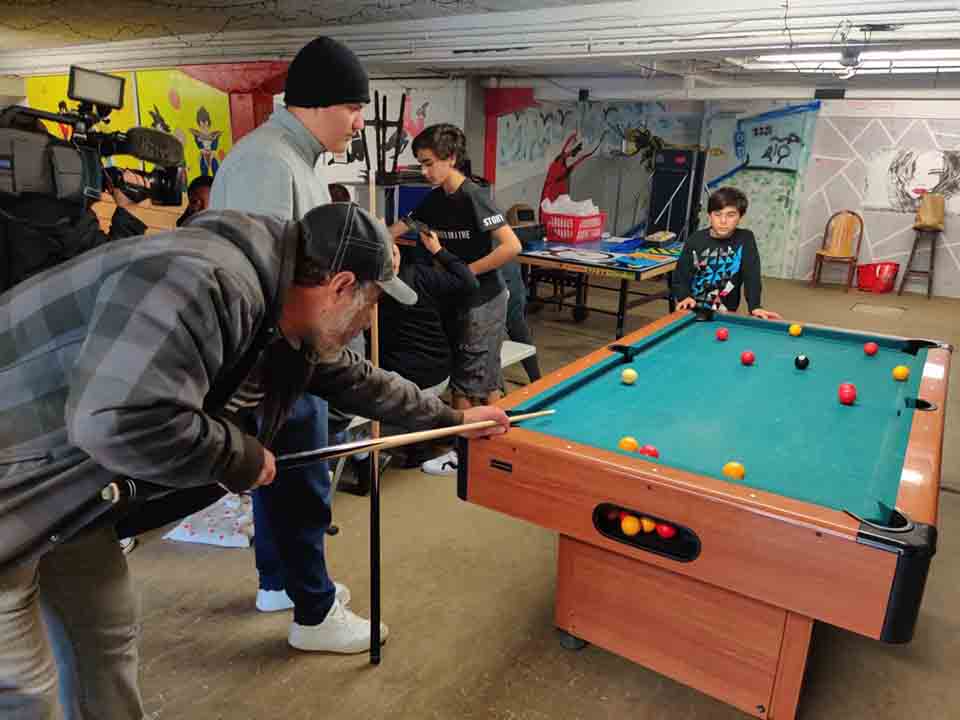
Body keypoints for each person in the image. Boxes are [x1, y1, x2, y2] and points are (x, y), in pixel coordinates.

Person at [0, 202, 509, 719]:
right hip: (14, 481)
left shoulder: (281, 303)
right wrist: (238, 456)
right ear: (340, 286)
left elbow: (355, 379)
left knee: (104, 633)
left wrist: (451, 418)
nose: (369, 320)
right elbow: (115, 420)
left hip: (69, 481)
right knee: (23, 689)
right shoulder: (206, 283)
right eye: (372, 302)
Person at [209, 36, 374, 637]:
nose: (358, 122)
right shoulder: (268, 163)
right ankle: (314, 612)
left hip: (288, 352)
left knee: (279, 475)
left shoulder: (292, 160)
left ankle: (280, 583)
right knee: (303, 483)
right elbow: (260, 283)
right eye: (352, 108)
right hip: (278, 357)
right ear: (316, 103)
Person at [389, 124, 521, 476]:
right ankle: (495, 445)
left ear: (450, 159)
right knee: (481, 375)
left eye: (429, 163)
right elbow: (398, 228)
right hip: (458, 296)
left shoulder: (473, 196)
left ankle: (464, 455)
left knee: (469, 378)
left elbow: (512, 246)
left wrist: (463, 272)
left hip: (484, 298)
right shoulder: (436, 198)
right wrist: (379, 240)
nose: (424, 171)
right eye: (420, 164)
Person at [378, 228, 479, 471]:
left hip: (406, 380)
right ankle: (422, 440)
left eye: (393, 253)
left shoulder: (367, 289)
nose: (393, 260)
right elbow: (469, 282)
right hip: (438, 373)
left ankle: (418, 448)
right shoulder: (420, 275)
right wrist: (438, 250)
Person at [672, 187, 781, 320]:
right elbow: (680, 276)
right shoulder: (695, 239)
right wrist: (684, 296)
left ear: (740, 217)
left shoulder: (745, 239)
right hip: (692, 310)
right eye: (717, 214)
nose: (723, 221)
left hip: (725, 314)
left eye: (730, 215)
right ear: (709, 215)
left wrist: (755, 306)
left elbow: (751, 275)